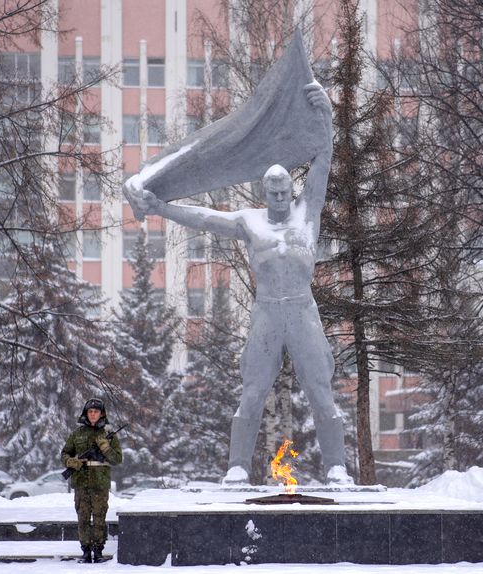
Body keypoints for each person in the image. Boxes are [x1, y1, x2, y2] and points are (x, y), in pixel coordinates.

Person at [130, 83, 351, 486]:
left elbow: (323, 158)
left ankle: (336, 466)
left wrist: (325, 117)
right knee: (253, 391)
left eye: (285, 191)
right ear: (264, 193)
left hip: (302, 310)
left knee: (320, 389)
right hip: (267, 311)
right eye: (273, 192)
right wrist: (161, 207)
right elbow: (204, 218)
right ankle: (238, 465)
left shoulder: (308, 213)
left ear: (292, 190)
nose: (280, 197)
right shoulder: (250, 222)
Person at [61, 398, 123, 563]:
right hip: (81, 482)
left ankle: (98, 550)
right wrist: (70, 462)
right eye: (90, 411)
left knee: (99, 518)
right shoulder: (77, 434)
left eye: (96, 411)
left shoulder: (108, 435)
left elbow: (117, 459)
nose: (93, 414)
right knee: (83, 518)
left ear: (101, 414)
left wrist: (105, 448)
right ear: (86, 413)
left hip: (100, 483)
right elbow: (64, 453)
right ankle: (86, 551)